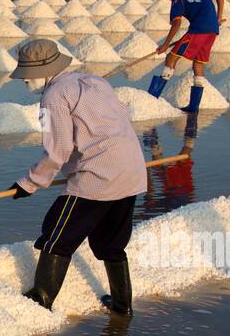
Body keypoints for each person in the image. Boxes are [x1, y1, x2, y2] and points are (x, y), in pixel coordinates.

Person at [8, 38, 146, 317]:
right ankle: (122, 304)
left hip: (98, 176)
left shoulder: (52, 98)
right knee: (111, 242)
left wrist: (29, 183)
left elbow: (57, 150)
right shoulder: (95, 81)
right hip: (131, 169)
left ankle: (41, 299)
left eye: (27, 77)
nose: (25, 83)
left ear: (43, 72)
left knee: (56, 235)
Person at [147, 0, 225, 112]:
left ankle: (151, 99)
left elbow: (177, 22)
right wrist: (218, 18)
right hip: (213, 30)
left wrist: (165, 44)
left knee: (171, 58)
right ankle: (193, 107)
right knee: (198, 64)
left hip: (198, 30)